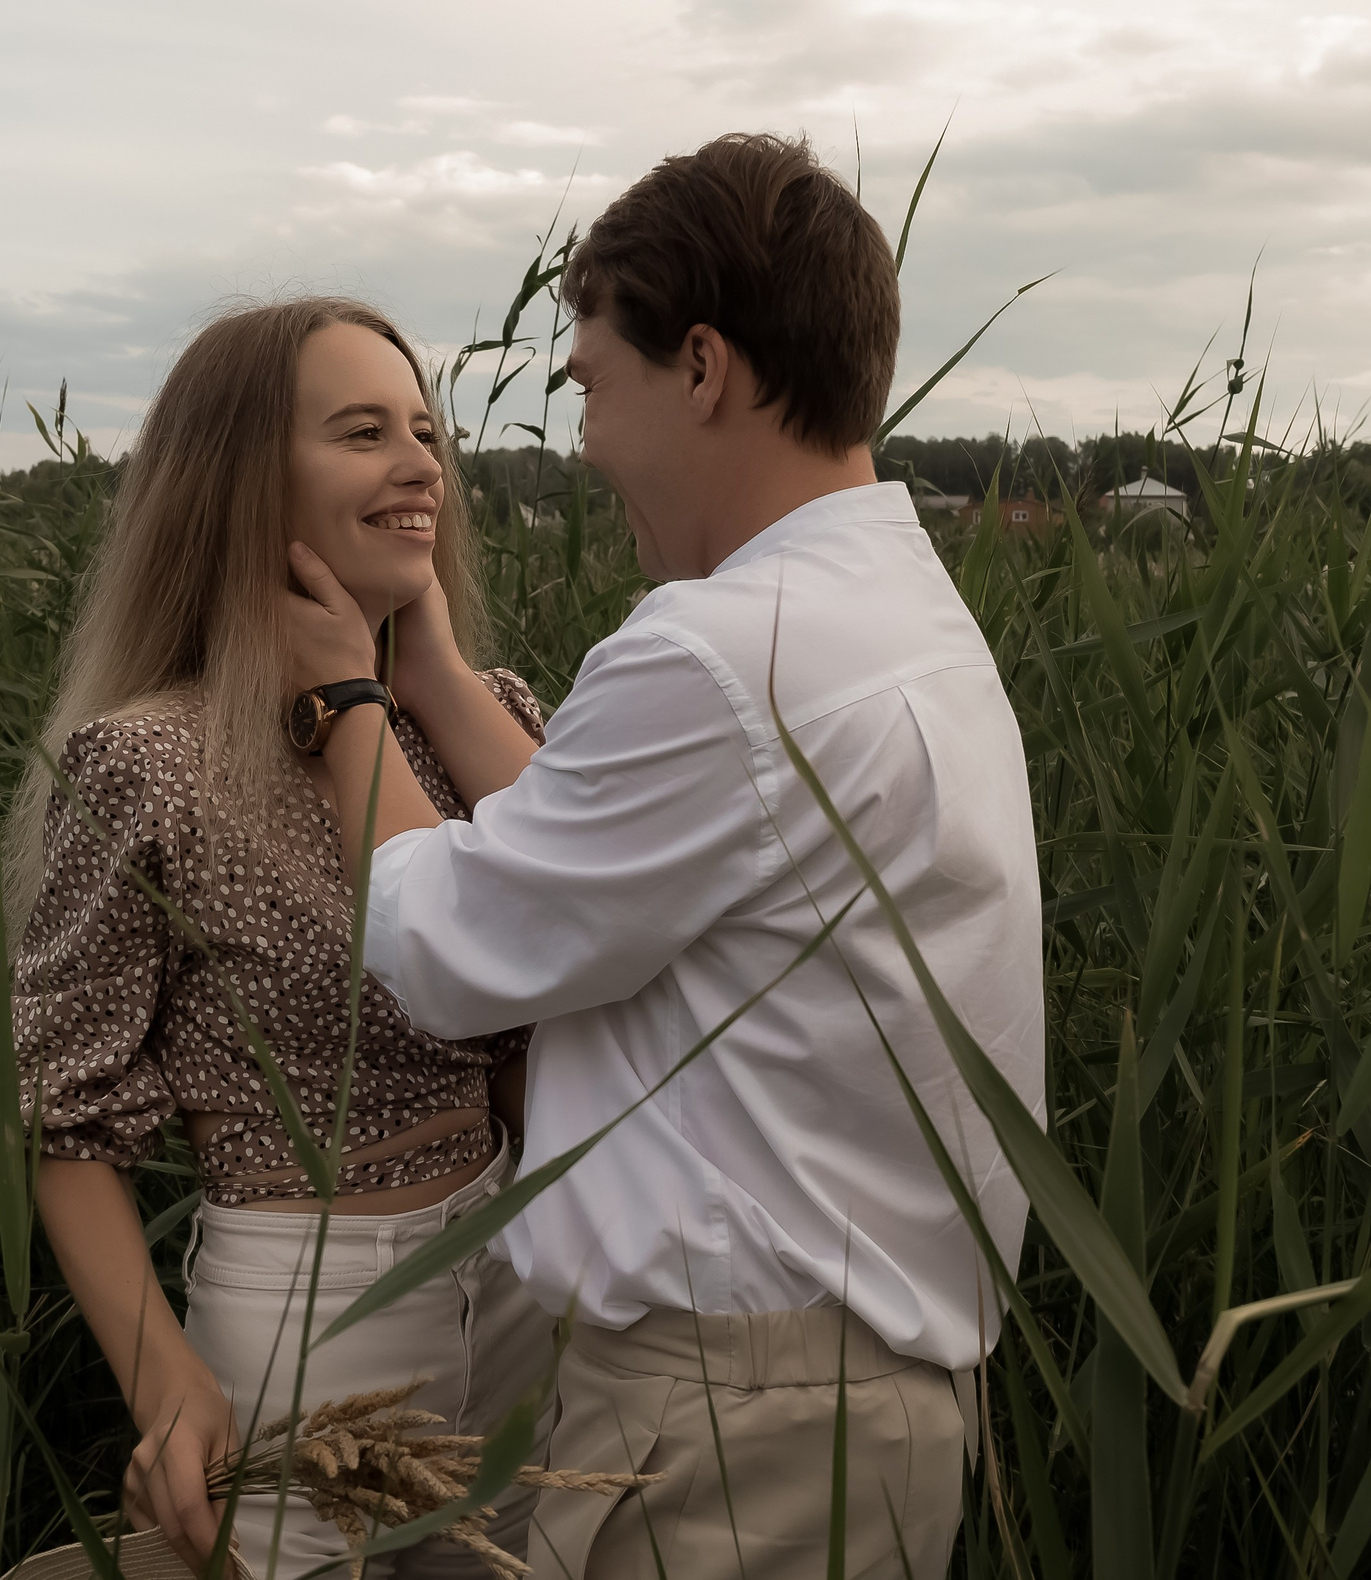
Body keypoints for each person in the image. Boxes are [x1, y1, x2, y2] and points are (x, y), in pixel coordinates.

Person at [281, 134, 1043, 1579]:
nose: (584, 441)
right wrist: (436, 668)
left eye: (591, 385)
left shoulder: (722, 647)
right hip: (839, 1399)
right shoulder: (887, 609)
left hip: (731, 1420)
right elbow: (597, 865)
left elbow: (453, 938)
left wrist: (341, 698)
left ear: (701, 366)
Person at [0, 297, 556, 1579]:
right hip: (308, 1308)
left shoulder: (479, 714)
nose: (420, 466)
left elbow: (581, 926)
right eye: (360, 432)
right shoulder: (153, 760)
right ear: (244, 483)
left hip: (516, 1258)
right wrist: (164, 1380)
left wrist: (429, 671)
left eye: (421, 430)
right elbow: (53, 1107)